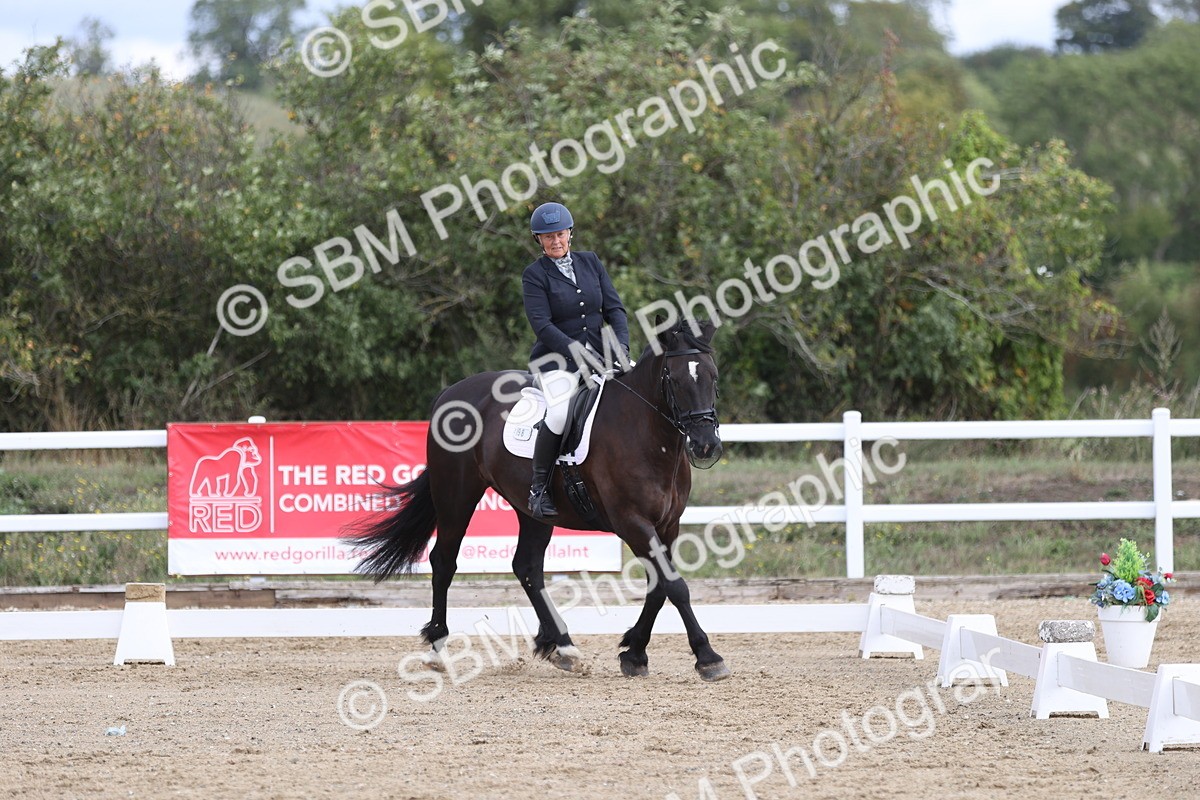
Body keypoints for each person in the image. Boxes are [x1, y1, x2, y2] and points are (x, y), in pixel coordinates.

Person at [522, 201, 630, 518]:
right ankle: (538, 490)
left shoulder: (591, 263)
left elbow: (615, 310)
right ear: (538, 240)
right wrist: (580, 353)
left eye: (560, 234)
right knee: (557, 415)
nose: (555, 241)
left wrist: (621, 346)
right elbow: (542, 325)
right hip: (556, 363)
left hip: (602, 355)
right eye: (547, 236)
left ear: (570, 233)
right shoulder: (534, 275)